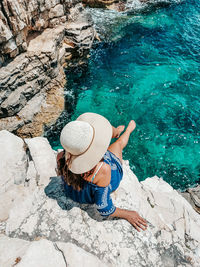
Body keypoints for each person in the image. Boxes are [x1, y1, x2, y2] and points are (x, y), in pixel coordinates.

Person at [57, 112, 147, 231]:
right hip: (94, 186)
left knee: (113, 141)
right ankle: (127, 130)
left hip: (73, 191)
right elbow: (104, 208)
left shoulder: (61, 156)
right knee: (118, 144)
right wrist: (128, 214)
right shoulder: (102, 169)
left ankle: (117, 132)